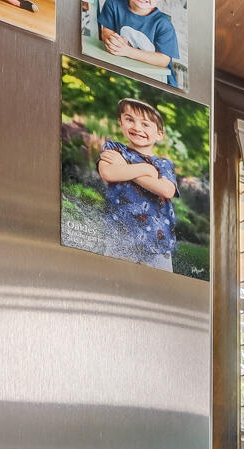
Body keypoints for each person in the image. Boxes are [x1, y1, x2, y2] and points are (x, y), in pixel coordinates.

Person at [96, 97, 179, 271]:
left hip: (157, 242)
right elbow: (108, 172)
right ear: (120, 122)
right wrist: (146, 170)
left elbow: (166, 190)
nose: (137, 128)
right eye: (129, 120)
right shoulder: (114, 149)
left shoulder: (163, 164)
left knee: (159, 291)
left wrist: (126, 168)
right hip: (120, 237)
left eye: (146, 124)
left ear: (159, 134)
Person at [96, 0, 184, 90]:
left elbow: (163, 60)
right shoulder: (113, 4)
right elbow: (106, 30)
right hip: (124, 72)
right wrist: (114, 41)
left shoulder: (164, 24)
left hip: (159, 80)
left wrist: (128, 51)